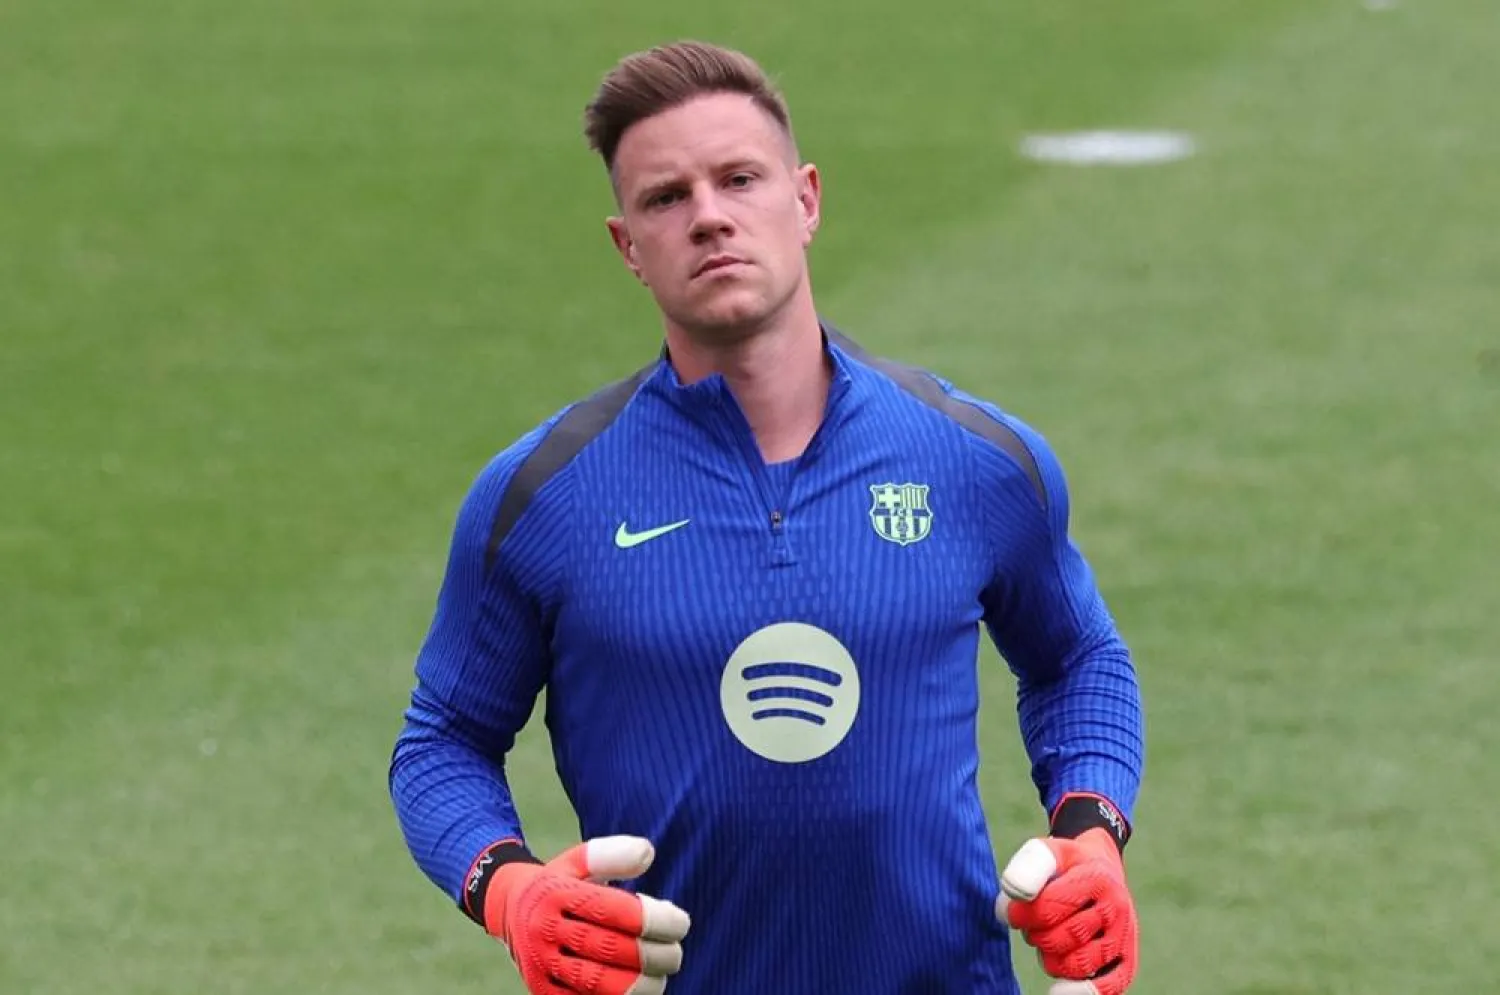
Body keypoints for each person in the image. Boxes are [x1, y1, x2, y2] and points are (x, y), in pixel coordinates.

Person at [389, 40, 1146, 995]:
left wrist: (1090, 832)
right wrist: (510, 890)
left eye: (739, 179)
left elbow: (1078, 658)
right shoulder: (544, 495)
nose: (709, 215)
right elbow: (444, 738)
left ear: (806, 199)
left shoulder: (973, 460)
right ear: (629, 247)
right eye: (667, 197)